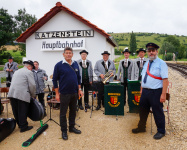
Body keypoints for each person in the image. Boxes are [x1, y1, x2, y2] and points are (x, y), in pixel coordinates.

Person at [132, 43, 169, 140]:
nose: (151, 52)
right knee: (143, 111)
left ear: (157, 51)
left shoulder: (162, 63)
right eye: (149, 50)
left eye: (153, 50)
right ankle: (141, 127)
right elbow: (144, 77)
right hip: (145, 92)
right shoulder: (147, 63)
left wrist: (163, 94)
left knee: (157, 111)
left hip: (156, 92)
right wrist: (141, 89)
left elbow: (165, 80)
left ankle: (161, 131)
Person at [53, 47, 83, 140]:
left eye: (70, 53)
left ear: (72, 54)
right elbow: (54, 80)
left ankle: (71, 127)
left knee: (73, 111)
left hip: (74, 92)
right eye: (67, 53)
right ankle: (64, 131)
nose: (68, 54)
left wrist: (79, 89)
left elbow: (78, 78)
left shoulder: (75, 64)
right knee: (63, 113)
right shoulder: (59, 65)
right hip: (64, 93)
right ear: (63, 54)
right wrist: (57, 94)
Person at [8, 60, 36, 132]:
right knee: (22, 110)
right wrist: (33, 95)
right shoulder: (28, 72)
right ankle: (23, 127)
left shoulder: (17, 71)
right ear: (29, 67)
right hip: (21, 94)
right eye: (31, 68)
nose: (31, 69)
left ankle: (20, 125)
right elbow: (32, 85)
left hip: (12, 93)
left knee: (16, 110)